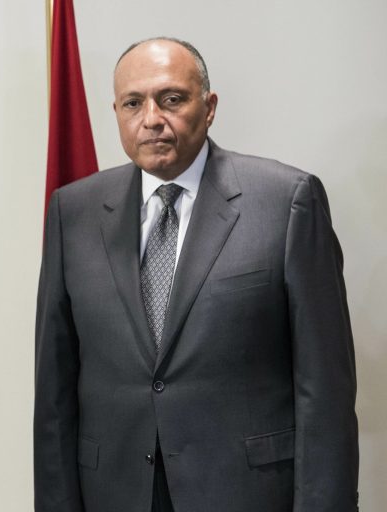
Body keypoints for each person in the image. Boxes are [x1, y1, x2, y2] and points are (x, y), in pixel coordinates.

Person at [34, 37, 358, 512]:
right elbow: (55, 391)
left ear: (209, 108)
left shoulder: (287, 201)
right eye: (132, 103)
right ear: (117, 113)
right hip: (115, 493)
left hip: (247, 494)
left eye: (171, 99)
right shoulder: (73, 211)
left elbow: (324, 390)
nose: (151, 119)